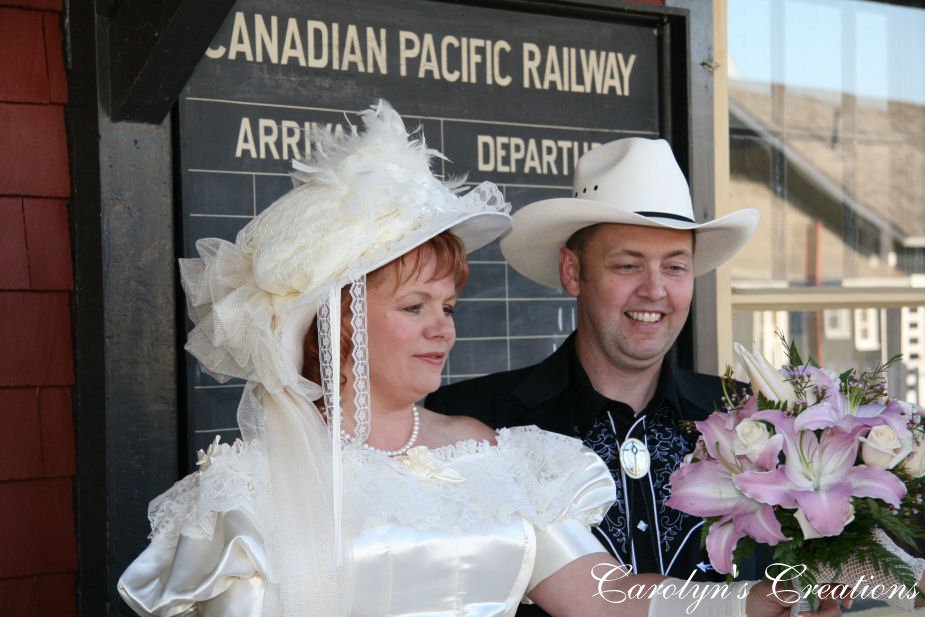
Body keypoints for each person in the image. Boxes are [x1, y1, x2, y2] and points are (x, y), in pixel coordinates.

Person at [117, 101, 839, 617]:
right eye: (413, 307)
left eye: (448, 307)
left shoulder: (489, 452)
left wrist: (749, 599)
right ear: (339, 322)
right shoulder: (254, 486)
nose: (442, 330)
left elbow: (600, 595)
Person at [425, 138, 764, 589]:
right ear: (572, 272)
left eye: (676, 267)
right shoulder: (476, 420)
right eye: (628, 265)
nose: (655, 290)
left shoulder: (748, 416)